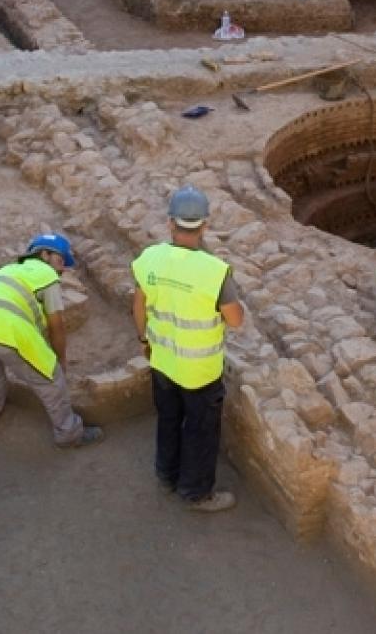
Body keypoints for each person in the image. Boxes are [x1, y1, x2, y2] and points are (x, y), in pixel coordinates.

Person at [132, 186, 246, 513]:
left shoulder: (149, 259)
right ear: (204, 225)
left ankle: (166, 475)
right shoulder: (215, 271)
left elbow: (138, 306)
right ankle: (196, 493)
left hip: (162, 361)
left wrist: (144, 341)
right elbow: (235, 320)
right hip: (200, 371)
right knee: (200, 430)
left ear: (171, 222)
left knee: (168, 418)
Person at [0, 233, 103, 449]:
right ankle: (69, 434)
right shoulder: (45, 275)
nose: (61, 269)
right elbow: (57, 325)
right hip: (8, 331)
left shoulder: (8, 270)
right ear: (44, 254)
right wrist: (60, 360)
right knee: (50, 378)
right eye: (60, 260)